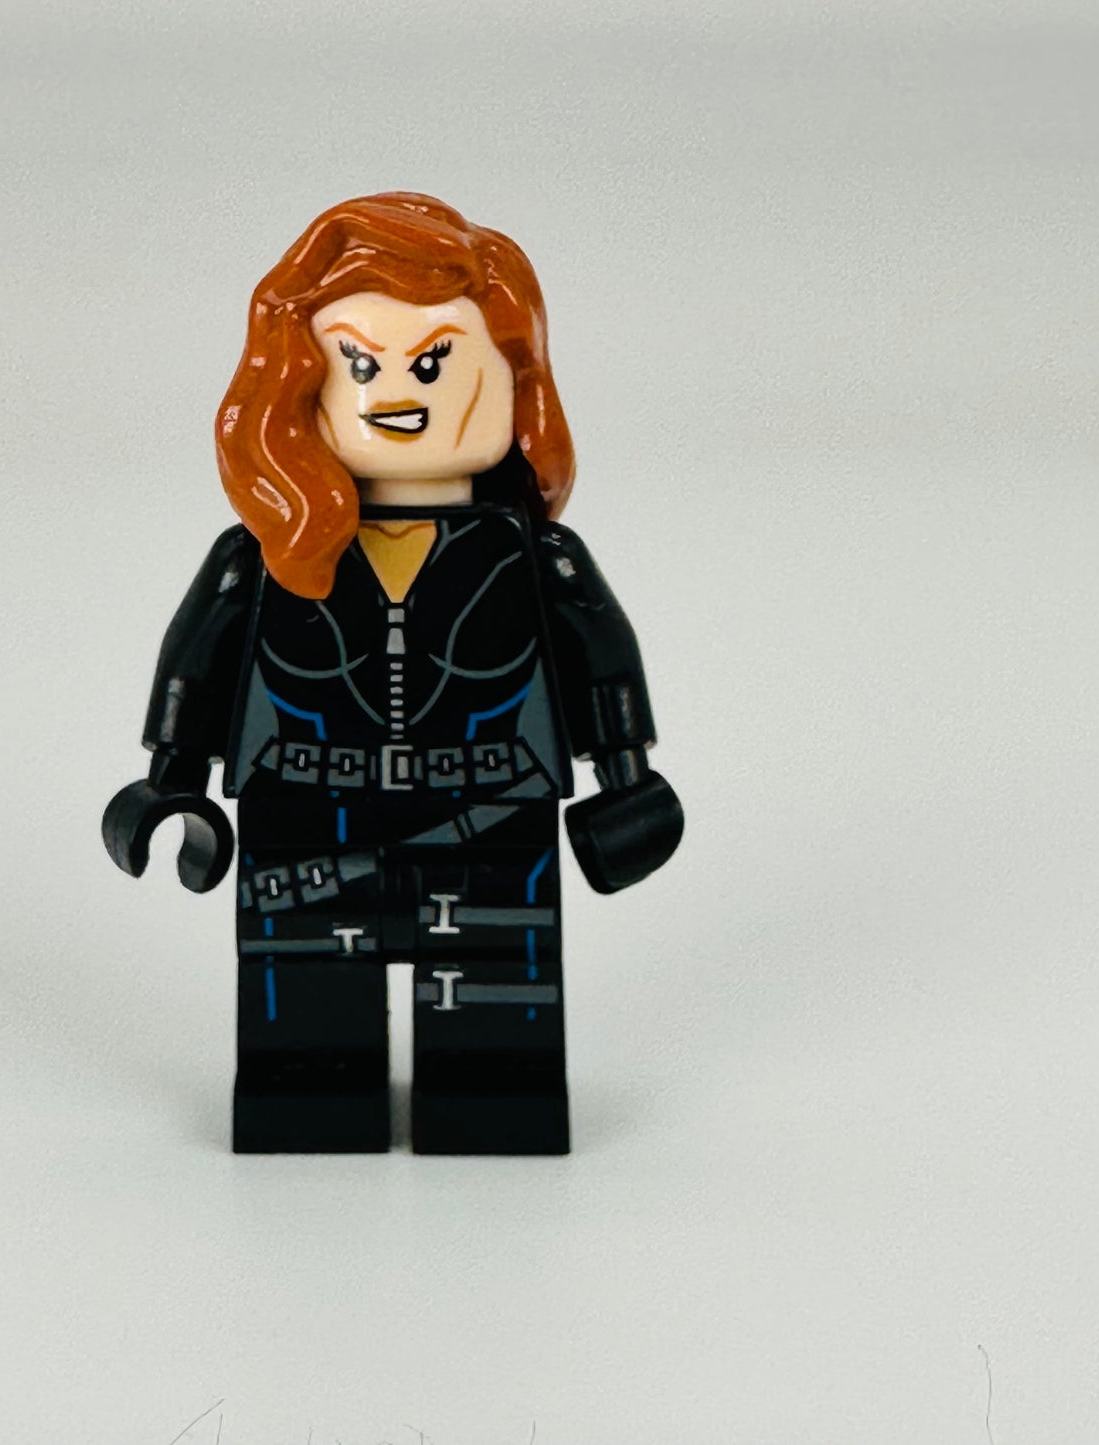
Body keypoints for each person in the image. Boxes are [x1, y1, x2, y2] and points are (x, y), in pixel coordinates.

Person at [103, 192, 682, 1155]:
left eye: (435, 362)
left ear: (513, 377)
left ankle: (491, 1092)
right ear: (300, 387)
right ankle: (307, 1090)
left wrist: (627, 778)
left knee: (493, 1000)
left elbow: (599, 654)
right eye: (360, 365)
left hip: (493, 804)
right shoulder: (268, 557)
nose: (396, 392)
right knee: (305, 999)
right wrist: (171, 777)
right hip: (304, 802)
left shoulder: (535, 557)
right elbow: (198, 657)